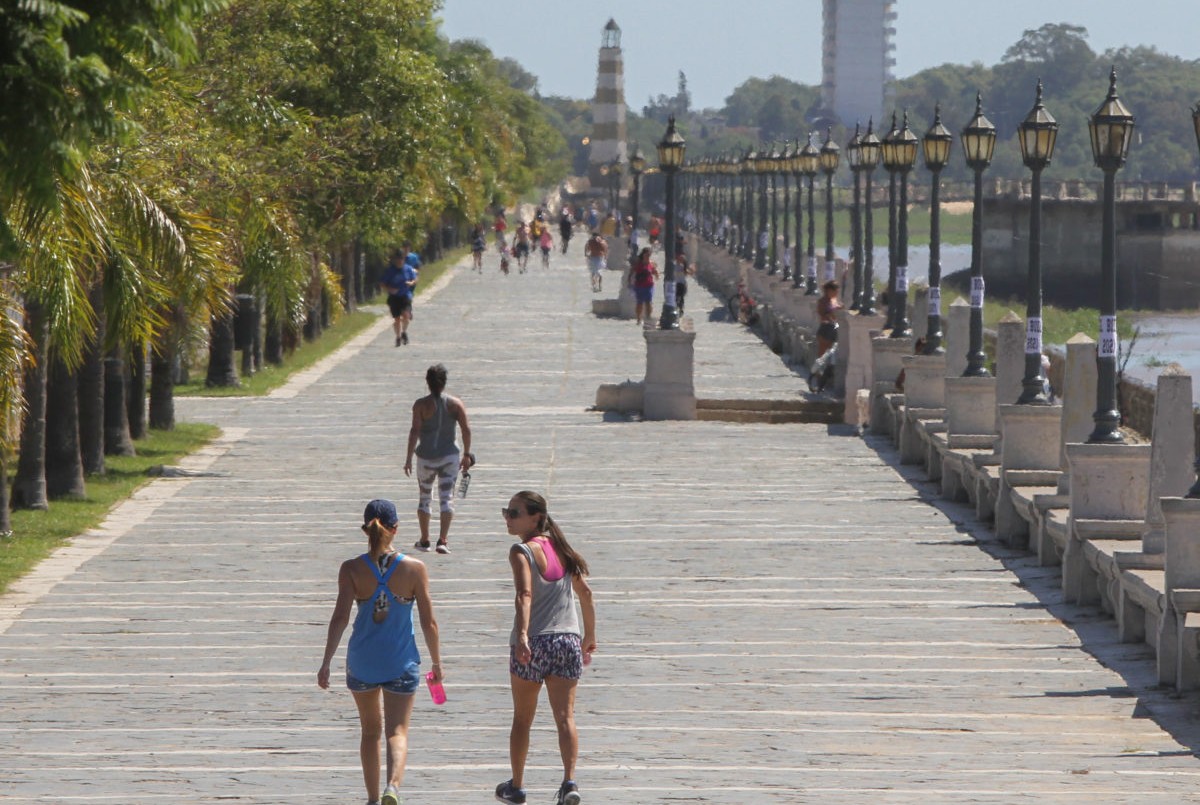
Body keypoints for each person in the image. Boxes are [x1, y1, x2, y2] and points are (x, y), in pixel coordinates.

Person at [318, 499, 443, 805]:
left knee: (370, 731)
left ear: (365, 530)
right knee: (397, 731)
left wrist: (326, 662)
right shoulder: (414, 569)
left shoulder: (352, 569)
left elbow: (340, 618)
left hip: (362, 662)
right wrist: (437, 663)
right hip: (400, 661)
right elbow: (429, 621)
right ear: (396, 528)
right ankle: (393, 788)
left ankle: (373, 799)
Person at [494, 491, 596, 805]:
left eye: (514, 512)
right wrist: (589, 637)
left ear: (535, 517)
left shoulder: (521, 551)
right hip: (567, 640)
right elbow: (586, 593)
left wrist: (522, 635)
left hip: (535, 641)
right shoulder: (563, 550)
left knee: (522, 719)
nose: (508, 518)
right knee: (565, 717)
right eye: (506, 512)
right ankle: (569, 782)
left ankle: (518, 786)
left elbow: (524, 595)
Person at [404, 364, 473, 554]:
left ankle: (425, 539)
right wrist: (467, 454)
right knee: (446, 498)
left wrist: (409, 457)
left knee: (425, 498)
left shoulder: (420, 405)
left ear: (427, 382)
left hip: (426, 456)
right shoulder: (455, 404)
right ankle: (443, 540)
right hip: (449, 455)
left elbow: (414, 431)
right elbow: (466, 429)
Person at [380, 250, 418, 346]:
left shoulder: (408, 269)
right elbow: (382, 284)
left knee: (406, 316)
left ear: (404, 259)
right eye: (398, 259)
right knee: (396, 319)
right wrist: (390, 289)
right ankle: (398, 337)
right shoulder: (390, 271)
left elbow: (415, 279)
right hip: (394, 297)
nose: (399, 261)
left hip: (405, 295)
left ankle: (404, 332)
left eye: (401, 259)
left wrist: (411, 283)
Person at [629, 247, 658, 327]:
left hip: (649, 285)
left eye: (649, 254)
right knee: (640, 303)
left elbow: (654, 271)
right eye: (647, 254)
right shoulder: (639, 263)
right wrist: (629, 280)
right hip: (639, 286)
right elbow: (632, 271)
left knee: (648, 302)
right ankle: (639, 318)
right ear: (643, 254)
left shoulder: (651, 263)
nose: (648, 256)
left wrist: (656, 275)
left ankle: (648, 317)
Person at [816, 280, 842, 358]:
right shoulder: (823, 301)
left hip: (833, 328)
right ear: (829, 291)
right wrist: (831, 314)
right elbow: (821, 314)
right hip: (825, 329)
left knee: (830, 354)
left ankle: (827, 369)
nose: (836, 294)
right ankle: (818, 369)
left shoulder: (833, 301)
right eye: (835, 291)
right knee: (822, 354)